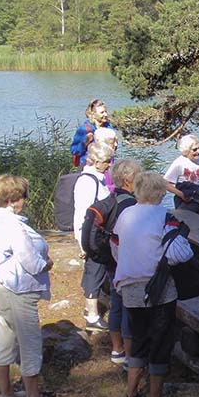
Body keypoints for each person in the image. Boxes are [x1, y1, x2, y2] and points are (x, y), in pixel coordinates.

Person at [113, 171, 193, 397]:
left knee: (139, 341)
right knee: (160, 343)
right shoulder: (164, 217)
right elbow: (181, 254)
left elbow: (115, 247)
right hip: (158, 289)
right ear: (161, 192)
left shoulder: (124, 215)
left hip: (129, 287)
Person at [0, 174, 62, 397]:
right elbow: (29, 259)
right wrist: (46, 264)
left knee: (4, 340)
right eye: (23, 196)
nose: (25, 201)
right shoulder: (13, 225)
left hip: (1, 287)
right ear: (13, 199)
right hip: (19, 289)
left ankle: (6, 396)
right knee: (30, 344)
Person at [103, 159, 141, 366]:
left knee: (116, 305)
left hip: (110, 259)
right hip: (124, 262)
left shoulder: (111, 198)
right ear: (128, 180)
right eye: (138, 175)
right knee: (128, 307)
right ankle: (130, 357)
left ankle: (116, 349)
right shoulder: (130, 204)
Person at [74, 142, 113, 332]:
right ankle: (92, 316)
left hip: (99, 234)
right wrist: (82, 244)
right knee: (94, 271)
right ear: (95, 161)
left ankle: (92, 308)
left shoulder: (99, 178)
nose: (110, 165)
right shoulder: (87, 182)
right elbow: (81, 214)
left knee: (97, 270)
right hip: (91, 236)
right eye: (107, 161)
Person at [164, 133, 199, 217]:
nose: (198, 151)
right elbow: (165, 184)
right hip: (187, 203)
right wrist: (182, 195)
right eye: (194, 149)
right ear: (186, 150)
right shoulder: (179, 163)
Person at [70, 98, 113, 167]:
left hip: (107, 166)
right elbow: (74, 151)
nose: (105, 114)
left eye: (106, 112)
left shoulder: (109, 127)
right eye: (102, 112)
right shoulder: (84, 129)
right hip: (89, 167)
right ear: (93, 114)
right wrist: (85, 143)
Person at [93, 126, 119, 191]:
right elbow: (102, 187)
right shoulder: (97, 161)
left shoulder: (111, 159)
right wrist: (120, 187)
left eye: (116, 141)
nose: (116, 145)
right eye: (112, 142)